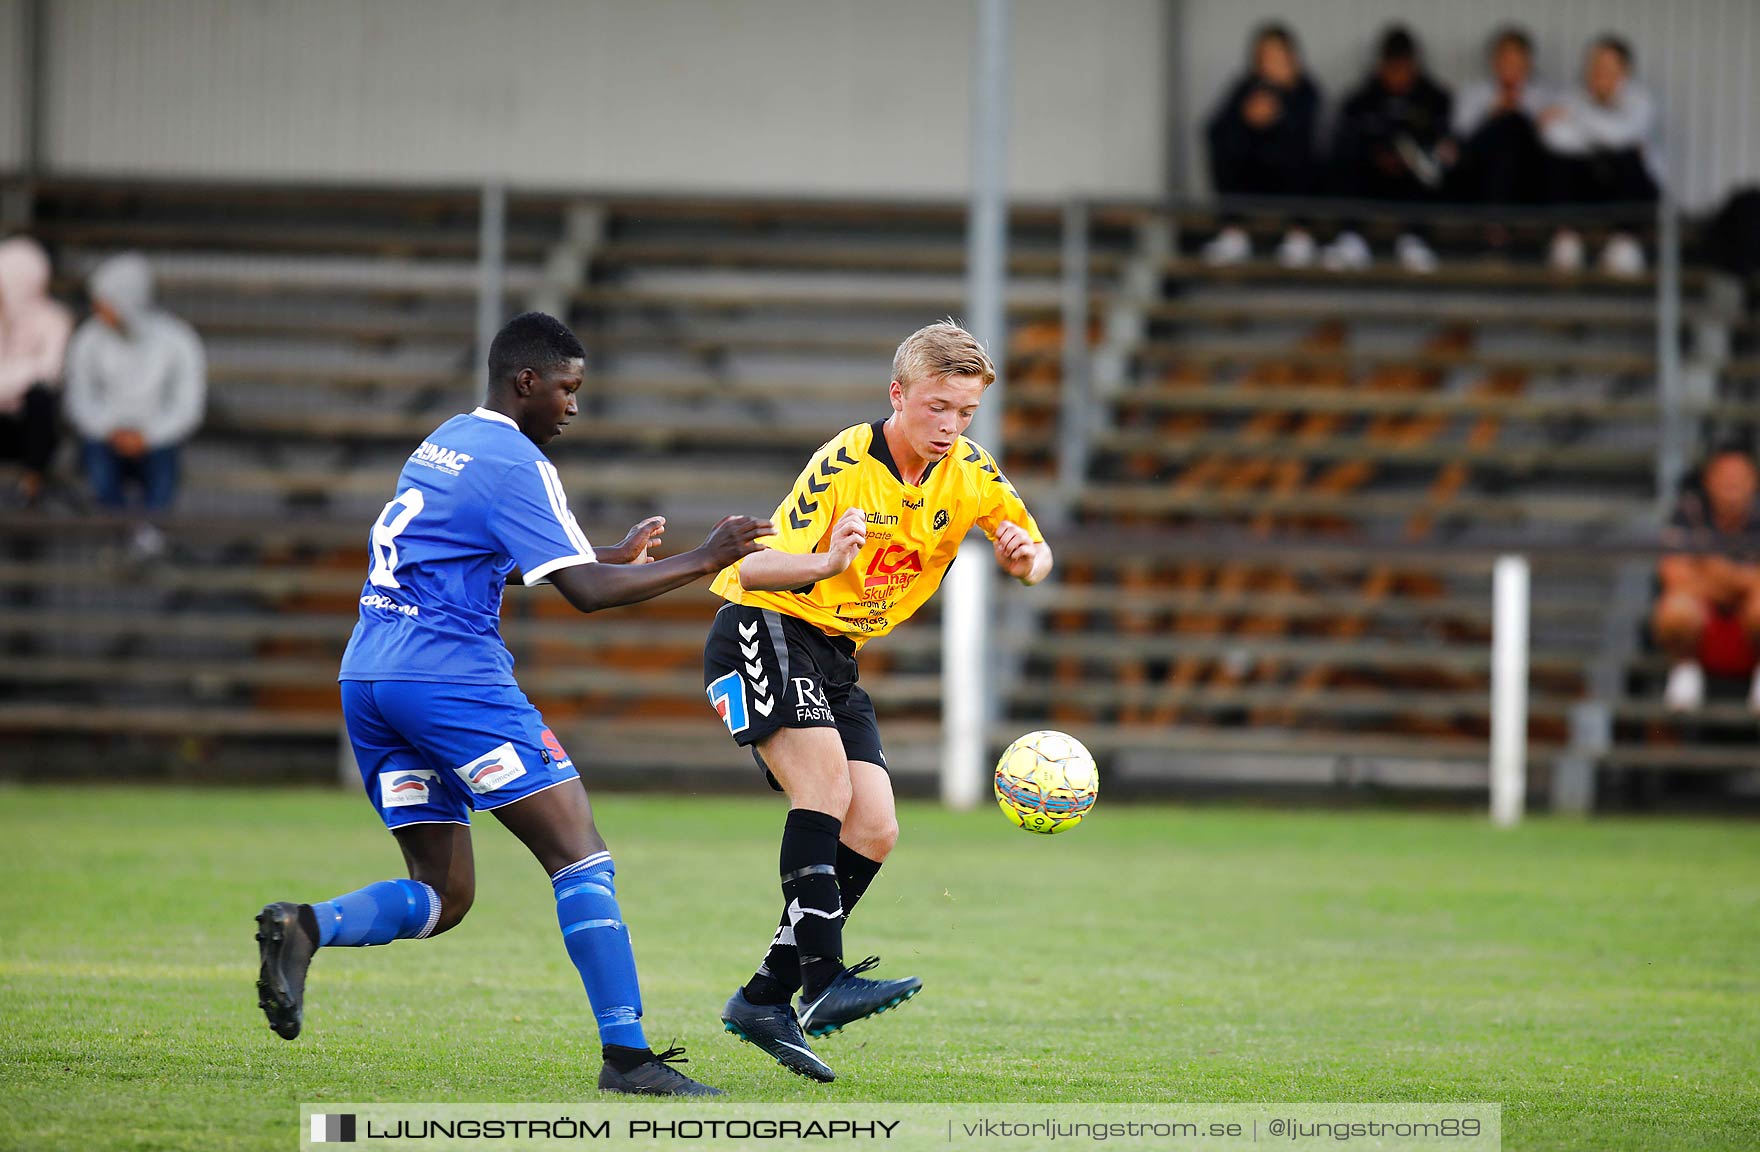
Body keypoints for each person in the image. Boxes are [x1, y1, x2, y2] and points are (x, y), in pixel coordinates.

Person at [253, 312, 773, 1096]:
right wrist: (711, 555)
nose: (573, 405)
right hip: (450, 681)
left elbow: (494, 560)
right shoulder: (518, 462)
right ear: (525, 382)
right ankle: (629, 1059)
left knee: (444, 893)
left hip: (369, 680)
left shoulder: (448, 441)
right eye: (567, 388)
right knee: (580, 854)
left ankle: (307, 925)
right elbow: (587, 597)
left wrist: (605, 553)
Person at [703, 321, 1053, 1083]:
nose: (950, 427)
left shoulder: (968, 471)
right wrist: (827, 560)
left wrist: (1028, 558)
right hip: (764, 628)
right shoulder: (845, 463)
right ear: (898, 394)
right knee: (824, 791)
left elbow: (1033, 547)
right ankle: (825, 982)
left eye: (965, 412)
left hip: (834, 656)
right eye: (937, 408)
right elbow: (755, 567)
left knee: (876, 826)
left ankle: (765, 998)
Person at [63, 253, 206, 527]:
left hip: (157, 441)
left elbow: (188, 406)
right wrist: (109, 429)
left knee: (164, 464)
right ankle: (121, 533)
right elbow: (78, 398)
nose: (96, 307)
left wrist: (149, 436)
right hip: (104, 438)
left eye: (103, 300)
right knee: (97, 462)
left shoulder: (178, 340)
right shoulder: (88, 340)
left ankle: (147, 535)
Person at [1655, 444, 1760, 715]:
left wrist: (1720, 574)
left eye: (1739, 477)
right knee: (1675, 609)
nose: (1731, 486)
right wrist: (1751, 581)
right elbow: (1674, 575)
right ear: (1709, 479)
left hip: (1756, 625)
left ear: (1754, 481)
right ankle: (1685, 669)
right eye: (1724, 477)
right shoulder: (1688, 514)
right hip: (1704, 621)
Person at [1321, 25, 1452, 273]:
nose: (1398, 75)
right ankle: (1351, 239)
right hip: (1370, 183)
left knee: (1430, 164)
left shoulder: (1435, 98)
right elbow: (1343, 143)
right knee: (1344, 159)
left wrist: (1409, 155)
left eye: (1404, 67)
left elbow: (1443, 145)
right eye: (1393, 67)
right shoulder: (1360, 100)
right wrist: (1378, 154)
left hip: (1414, 186)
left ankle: (1415, 241)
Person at [1201, 22, 1323, 268]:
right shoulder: (1246, 88)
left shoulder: (1306, 90)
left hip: (1293, 183)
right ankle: (1234, 233)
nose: (1269, 62)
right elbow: (1214, 128)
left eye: (1276, 54)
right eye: (1264, 55)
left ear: (1290, 57)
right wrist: (1246, 119)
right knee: (1224, 140)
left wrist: (1279, 113)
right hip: (1253, 178)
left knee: (1308, 154)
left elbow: (1310, 136)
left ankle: (1299, 235)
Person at [1540, 35, 1661, 275]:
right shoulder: (1571, 96)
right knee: (1559, 164)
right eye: (1594, 65)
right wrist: (1605, 132)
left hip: (1631, 191)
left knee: (1627, 159)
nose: (1598, 72)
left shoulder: (1641, 99)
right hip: (1584, 187)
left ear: (1624, 70)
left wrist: (1576, 118)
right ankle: (1566, 241)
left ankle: (1624, 244)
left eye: (1607, 67)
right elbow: (1554, 138)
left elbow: (1623, 136)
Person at [1446, 26, 1552, 214]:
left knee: (1514, 125)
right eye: (1504, 59)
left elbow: (1550, 136)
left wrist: (1518, 110)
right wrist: (1493, 112)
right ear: (1494, 61)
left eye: (1515, 60)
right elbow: (1461, 132)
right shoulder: (1474, 93)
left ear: (1527, 62)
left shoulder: (1543, 95)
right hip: (1481, 165)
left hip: (1528, 167)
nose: (1509, 66)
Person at [0, 236, 72, 506]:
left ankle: (30, 486)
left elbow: (49, 374)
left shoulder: (55, 319)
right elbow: (35, 370)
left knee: (41, 398)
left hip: (29, 428)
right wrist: (23, 373)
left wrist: (8, 380)